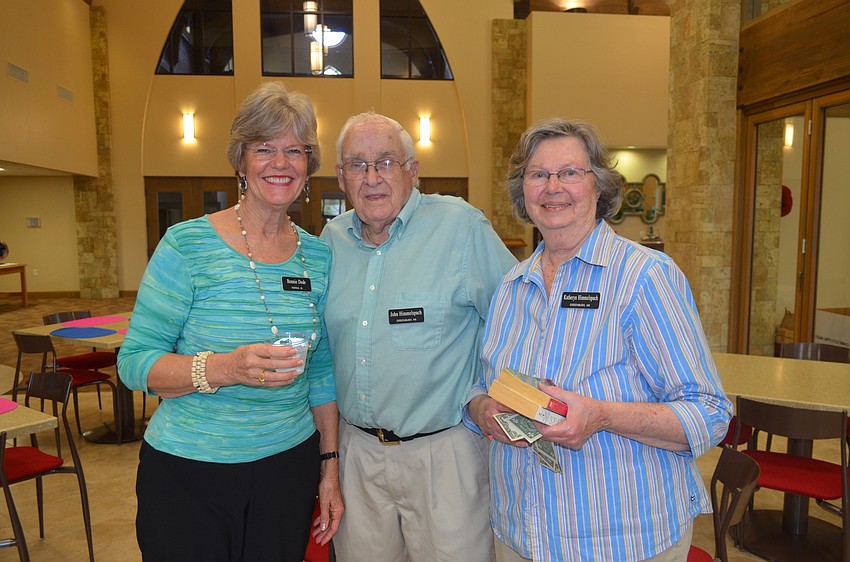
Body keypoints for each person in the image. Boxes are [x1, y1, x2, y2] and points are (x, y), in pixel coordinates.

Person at [464, 118, 732, 562]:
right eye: (538, 175)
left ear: (598, 186)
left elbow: (709, 413)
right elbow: (479, 383)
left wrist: (601, 416)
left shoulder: (645, 277)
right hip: (521, 536)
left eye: (569, 172)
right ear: (523, 190)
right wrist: (483, 410)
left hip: (620, 540)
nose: (553, 187)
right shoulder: (512, 286)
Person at [117, 81, 343, 561]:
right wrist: (225, 368)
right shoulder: (187, 245)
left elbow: (321, 373)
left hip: (288, 469)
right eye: (265, 149)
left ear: (310, 164)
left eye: (295, 151)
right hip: (190, 473)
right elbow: (135, 363)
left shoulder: (318, 257)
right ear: (241, 159)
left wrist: (328, 468)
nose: (281, 164)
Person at [320, 112, 517, 562]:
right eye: (357, 164)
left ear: (413, 170)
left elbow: (518, 321)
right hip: (359, 456)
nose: (372, 178)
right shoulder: (330, 241)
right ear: (340, 177)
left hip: (442, 456)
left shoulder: (461, 228)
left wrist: (487, 396)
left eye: (386, 162)